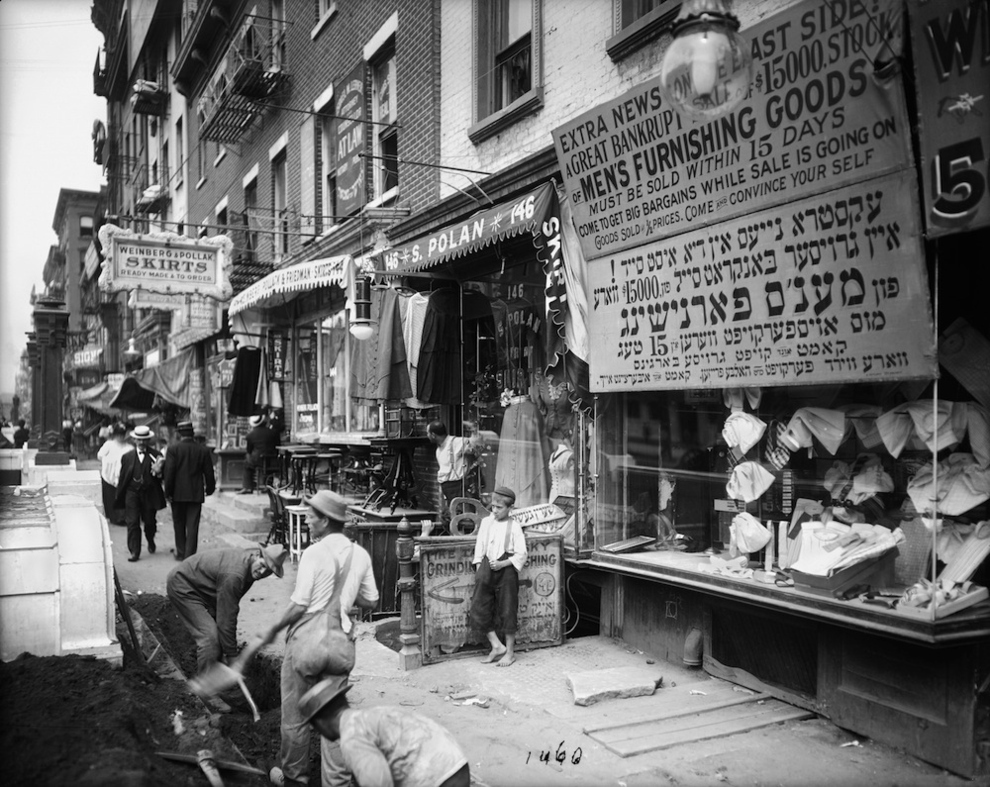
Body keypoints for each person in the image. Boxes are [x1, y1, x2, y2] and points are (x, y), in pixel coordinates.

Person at [256, 490, 379, 787]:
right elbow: (372, 601)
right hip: (340, 646)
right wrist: (347, 595)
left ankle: (294, 778)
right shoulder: (359, 554)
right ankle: (336, 783)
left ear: (325, 521)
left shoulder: (313, 553)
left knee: (296, 717)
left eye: (311, 516)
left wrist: (274, 628)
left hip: (306, 644)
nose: (308, 521)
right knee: (331, 718)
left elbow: (299, 604)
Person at [295, 675, 470, 787]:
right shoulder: (372, 715)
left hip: (438, 778)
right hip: (456, 764)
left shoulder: (352, 736)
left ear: (320, 722)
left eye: (314, 726)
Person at [166, 545, 287, 684]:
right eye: (263, 565)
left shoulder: (249, 566)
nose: (262, 571)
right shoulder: (235, 574)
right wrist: (232, 657)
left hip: (204, 588)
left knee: (218, 634)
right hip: (183, 586)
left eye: (268, 571)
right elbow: (226, 619)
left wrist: (227, 652)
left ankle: (216, 672)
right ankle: (203, 689)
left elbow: (230, 607)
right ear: (257, 556)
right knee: (209, 638)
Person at [470, 486, 527, 667]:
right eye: (493, 506)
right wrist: (480, 567)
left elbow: (521, 554)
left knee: (508, 609)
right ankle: (496, 646)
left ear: (510, 508)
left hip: (507, 569)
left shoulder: (514, 526)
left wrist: (503, 564)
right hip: (487, 566)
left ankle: (509, 653)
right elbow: (480, 545)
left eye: (499, 508)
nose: (494, 510)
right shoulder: (487, 522)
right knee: (478, 609)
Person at [164, 420, 217, 560]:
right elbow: (209, 473)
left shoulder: (173, 449)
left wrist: (167, 492)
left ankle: (181, 553)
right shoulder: (203, 450)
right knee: (193, 526)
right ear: (192, 433)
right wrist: (210, 489)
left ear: (179, 434)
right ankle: (190, 556)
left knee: (179, 523)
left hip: (177, 493)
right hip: (195, 493)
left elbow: (169, 473)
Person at [115, 425, 166, 562]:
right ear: (134, 440)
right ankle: (134, 551)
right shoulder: (127, 457)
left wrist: (159, 472)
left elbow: (162, 477)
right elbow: (123, 477)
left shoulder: (156, 455)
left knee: (149, 522)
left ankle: (150, 539)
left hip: (149, 494)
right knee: (132, 523)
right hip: (132, 493)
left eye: (145, 440)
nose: (142, 443)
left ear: (148, 440)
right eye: (139, 440)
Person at [426, 421, 481, 533]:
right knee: (451, 519)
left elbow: (476, 444)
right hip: (447, 489)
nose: (427, 436)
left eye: (428, 433)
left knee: (464, 519)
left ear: (433, 435)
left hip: (458, 487)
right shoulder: (439, 449)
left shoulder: (456, 442)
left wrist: (473, 428)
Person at [97, 423, 133, 525]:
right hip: (109, 475)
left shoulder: (129, 447)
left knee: (122, 496)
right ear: (115, 435)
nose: (120, 436)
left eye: (122, 434)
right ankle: (113, 517)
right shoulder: (109, 445)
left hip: (123, 476)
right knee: (110, 496)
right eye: (118, 434)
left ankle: (122, 517)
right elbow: (100, 455)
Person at [239, 413, 281, 494]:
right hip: (272, 459)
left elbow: (249, 450)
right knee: (268, 468)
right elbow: (277, 445)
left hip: (257, 460)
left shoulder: (250, 435)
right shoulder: (273, 433)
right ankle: (268, 485)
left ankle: (248, 486)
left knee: (247, 465)